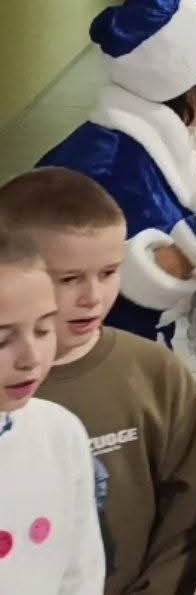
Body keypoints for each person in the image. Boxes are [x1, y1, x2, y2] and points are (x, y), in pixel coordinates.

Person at [0, 169, 196, 594]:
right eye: (68, 279)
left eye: (109, 272)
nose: (93, 297)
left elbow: (188, 509)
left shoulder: (156, 373)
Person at [38, 0, 196, 344]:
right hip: (95, 357)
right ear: (182, 76)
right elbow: (78, 288)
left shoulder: (163, 143)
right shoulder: (106, 162)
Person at [0, 229, 104, 593]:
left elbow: (82, 566)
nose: (31, 358)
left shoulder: (60, 431)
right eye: (2, 340)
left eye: (43, 329)